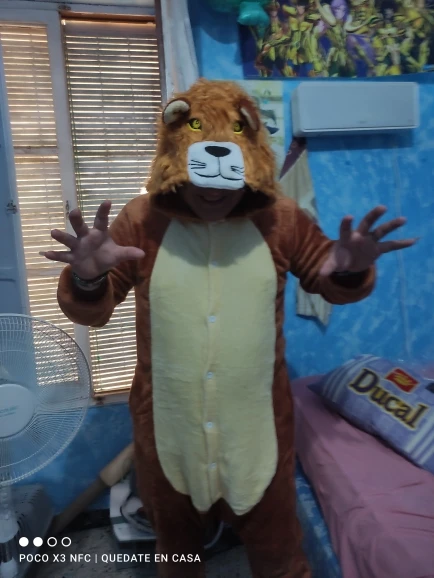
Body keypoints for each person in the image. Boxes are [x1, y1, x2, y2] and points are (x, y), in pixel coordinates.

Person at [42, 79, 416, 578]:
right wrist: (88, 278)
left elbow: (326, 276)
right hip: (169, 436)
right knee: (177, 560)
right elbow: (93, 310)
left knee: (281, 561)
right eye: (202, 176)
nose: (214, 192)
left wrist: (348, 268)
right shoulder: (142, 220)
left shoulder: (282, 219)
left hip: (257, 437)